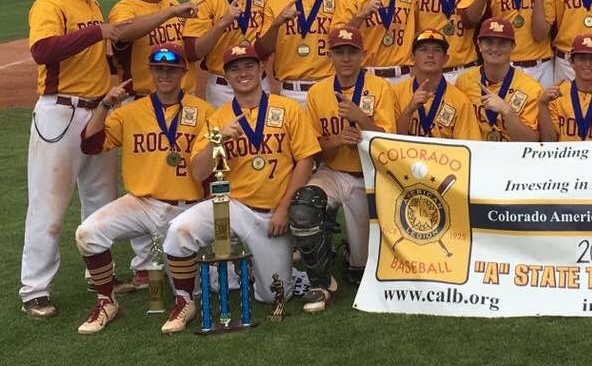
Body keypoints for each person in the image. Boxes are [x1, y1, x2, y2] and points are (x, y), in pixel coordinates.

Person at [161, 43, 318, 334]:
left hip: (273, 214)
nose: (242, 73)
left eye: (248, 66)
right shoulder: (218, 118)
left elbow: (306, 160)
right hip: (231, 206)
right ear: (227, 77)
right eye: (234, 68)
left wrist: (284, 209)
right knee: (179, 231)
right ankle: (185, 299)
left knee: (272, 294)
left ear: (261, 70)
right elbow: (198, 172)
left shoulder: (288, 109)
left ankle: (255, 269)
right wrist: (217, 141)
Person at [21, 0, 128, 319]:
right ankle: (34, 288)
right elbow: (42, 51)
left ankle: (98, 276)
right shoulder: (50, 3)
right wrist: (97, 32)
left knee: (101, 201)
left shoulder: (92, 3)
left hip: (97, 111)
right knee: (49, 205)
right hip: (60, 111)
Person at [73, 43, 213, 334]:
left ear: (183, 73)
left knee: (194, 287)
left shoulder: (203, 111)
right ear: (150, 71)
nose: (165, 75)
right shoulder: (130, 111)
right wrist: (104, 104)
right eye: (159, 69)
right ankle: (106, 300)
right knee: (88, 233)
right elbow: (91, 144)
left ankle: (185, 300)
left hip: (185, 206)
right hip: (141, 202)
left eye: (171, 70)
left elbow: (212, 167)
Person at [107, 0, 201, 290]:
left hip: (180, 103)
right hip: (143, 104)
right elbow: (125, 33)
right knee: (144, 183)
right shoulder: (125, 7)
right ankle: (145, 265)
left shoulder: (170, 2)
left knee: (181, 176)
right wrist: (172, 12)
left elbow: (189, 50)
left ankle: (186, 249)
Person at [294, 25, 396, 313]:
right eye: (340, 52)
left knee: (360, 268)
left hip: (368, 176)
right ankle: (320, 281)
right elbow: (312, 150)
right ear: (330, 55)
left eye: (352, 52)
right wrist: (336, 140)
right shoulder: (317, 92)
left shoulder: (380, 88)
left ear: (362, 55)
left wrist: (361, 119)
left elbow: (390, 144)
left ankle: (353, 253)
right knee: (304, 206)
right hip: (333, 170)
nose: (346, 58)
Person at [182, 0, 270, 107]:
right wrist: (222, 24)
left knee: (264, 133)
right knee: (216, 133)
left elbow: (267, 43)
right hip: (223, 88)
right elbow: (192, 52)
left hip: (259, 82)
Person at [257, 0, 341, 103]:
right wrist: (276, 25)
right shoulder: (275, 2)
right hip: (291, 92)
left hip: (329, 89)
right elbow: (261, 51)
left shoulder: (341, 2)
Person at [109, 0, 201, 98]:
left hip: (184, 97)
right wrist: (170, 12)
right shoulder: (124, 8)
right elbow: (122, 32)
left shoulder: (172, 3)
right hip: (143, 99)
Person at [455, 17, 542, 142]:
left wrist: (507, 112)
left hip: (511, 156)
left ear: (513, 46)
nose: (495, 48)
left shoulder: (531, 88)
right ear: (479, 45)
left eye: (502, 43)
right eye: (489, 42)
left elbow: (531, 142)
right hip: (475, 155)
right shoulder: (464, 81)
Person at [393, 29, 482, 140]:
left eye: (437, 50)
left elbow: (467, 148)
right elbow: (388, 141)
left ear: (446, 59)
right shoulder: (396, 92)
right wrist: (409, 110)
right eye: (423, 50)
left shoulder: (461, 101)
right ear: (412, 57)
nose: (430, 55)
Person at [538, 33, 592, 141]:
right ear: (571, 62)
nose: (587, 64)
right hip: (565, 156)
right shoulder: (557, 95)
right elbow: (549, 141)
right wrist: (543, 104)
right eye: (582, 58)